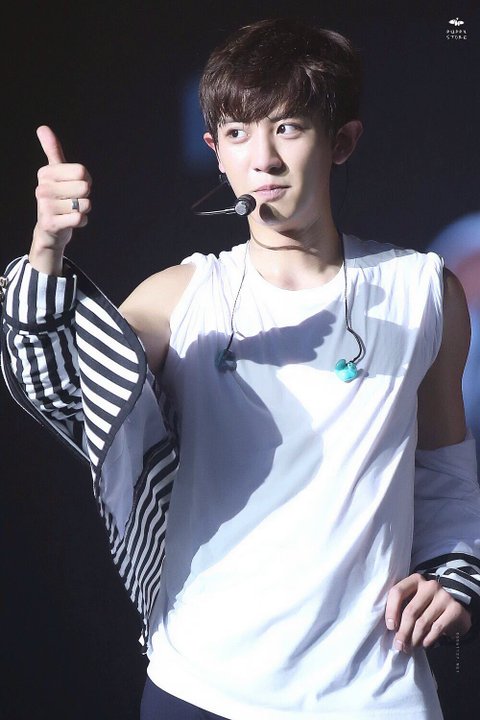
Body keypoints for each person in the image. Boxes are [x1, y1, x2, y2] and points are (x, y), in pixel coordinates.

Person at [1, 17, 480, 720]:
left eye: (288, 127)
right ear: (216, 154)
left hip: (374, 694)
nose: (264, 159)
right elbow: (59, 385)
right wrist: (46, 251)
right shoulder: (181, 298)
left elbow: (444, 467)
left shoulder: (423, 291)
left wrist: (456, 574)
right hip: (201, 685)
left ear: (342, 141)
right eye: (237, 132)